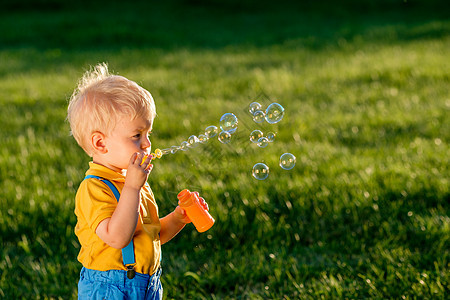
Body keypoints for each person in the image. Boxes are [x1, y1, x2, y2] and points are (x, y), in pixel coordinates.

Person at [67, 63, 206, 299]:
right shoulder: (94, 188)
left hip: (147, 284)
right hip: (109, 288)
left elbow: (150, 236)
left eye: (147, 134)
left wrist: (178, 218)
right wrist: (132, 187)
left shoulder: (133, 183)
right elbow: (118, 237)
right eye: (136, 135)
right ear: (100, 143)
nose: (146, 144)